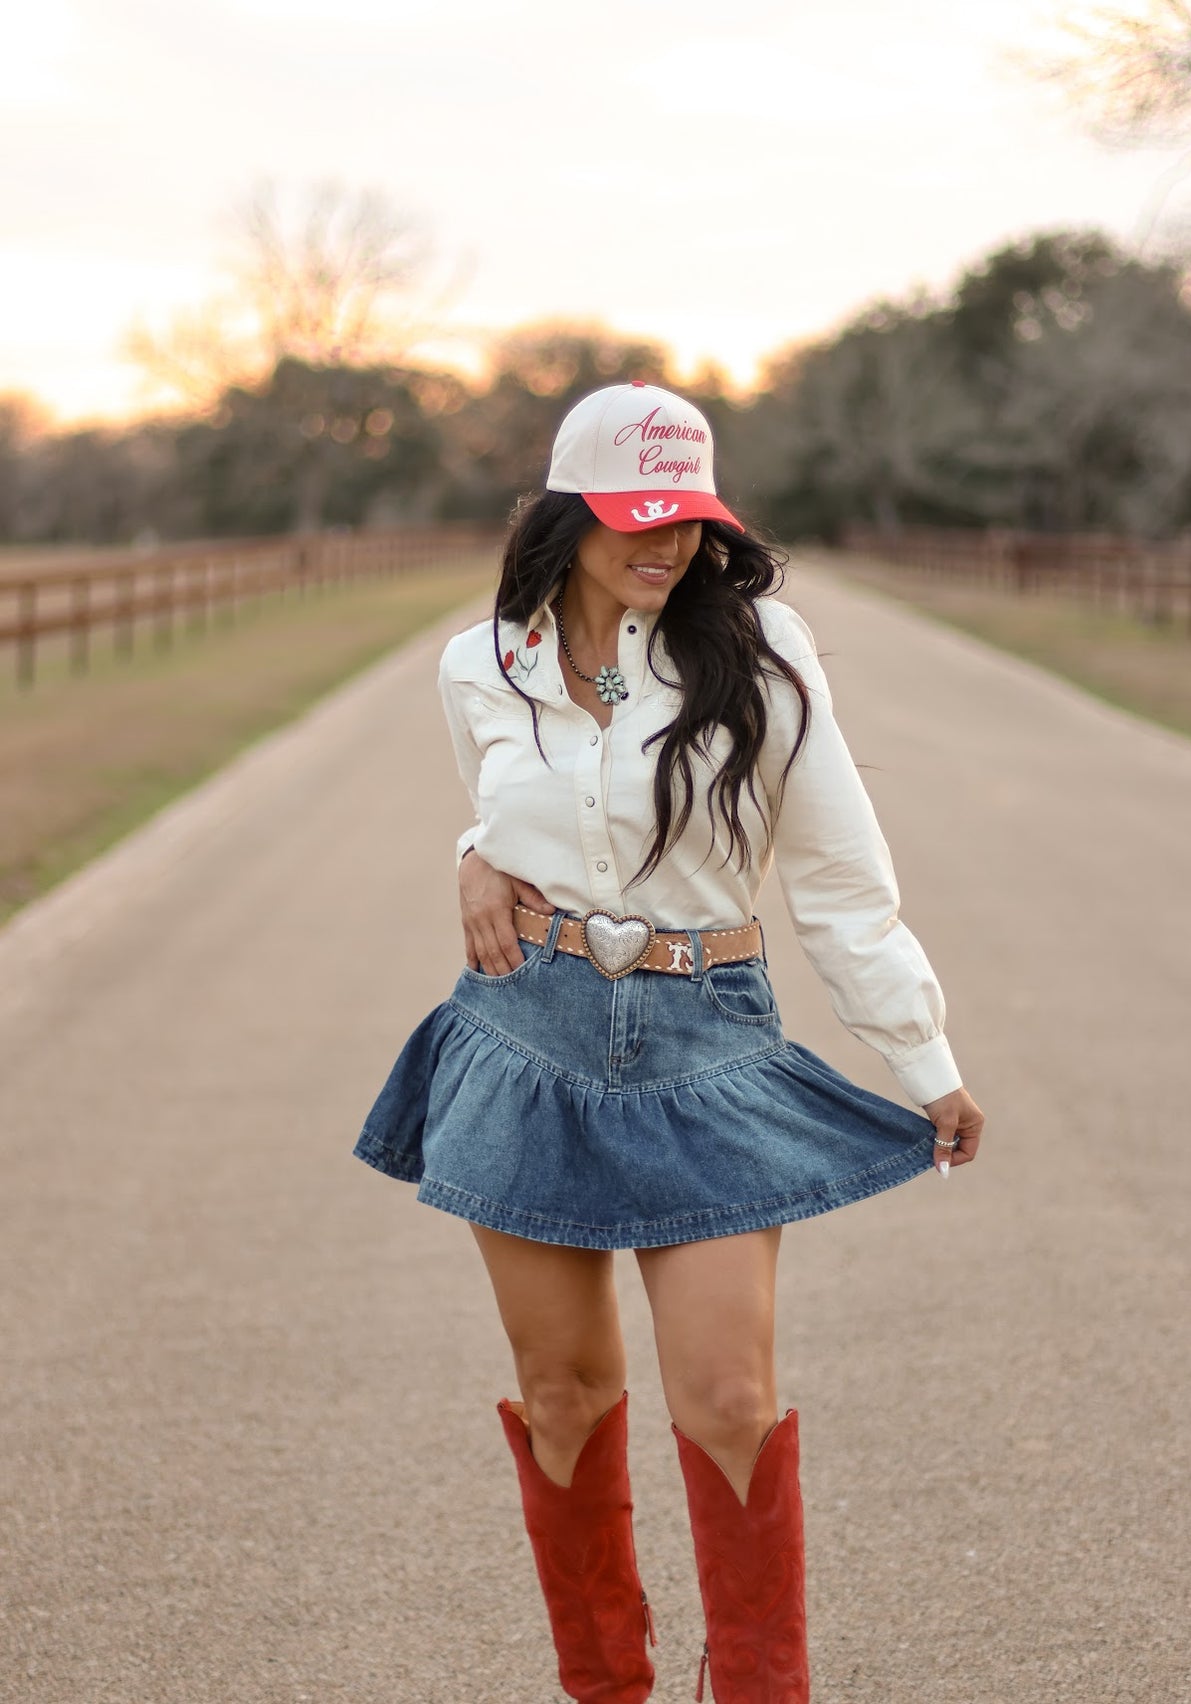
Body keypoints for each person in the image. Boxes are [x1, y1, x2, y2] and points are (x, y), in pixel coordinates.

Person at [354, 381, 985, 1703]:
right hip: (525, 1036)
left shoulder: (761, 648)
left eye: (689, 518)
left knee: (731, 1403)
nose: (668, 544)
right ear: (568, 512)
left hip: (706, 1043)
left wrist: (922, 1059)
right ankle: (607, 1687)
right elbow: (523, 817)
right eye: (638, 518)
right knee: (565, 1395)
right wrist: (470, 854)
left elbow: (839, 882)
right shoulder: (483, 661)